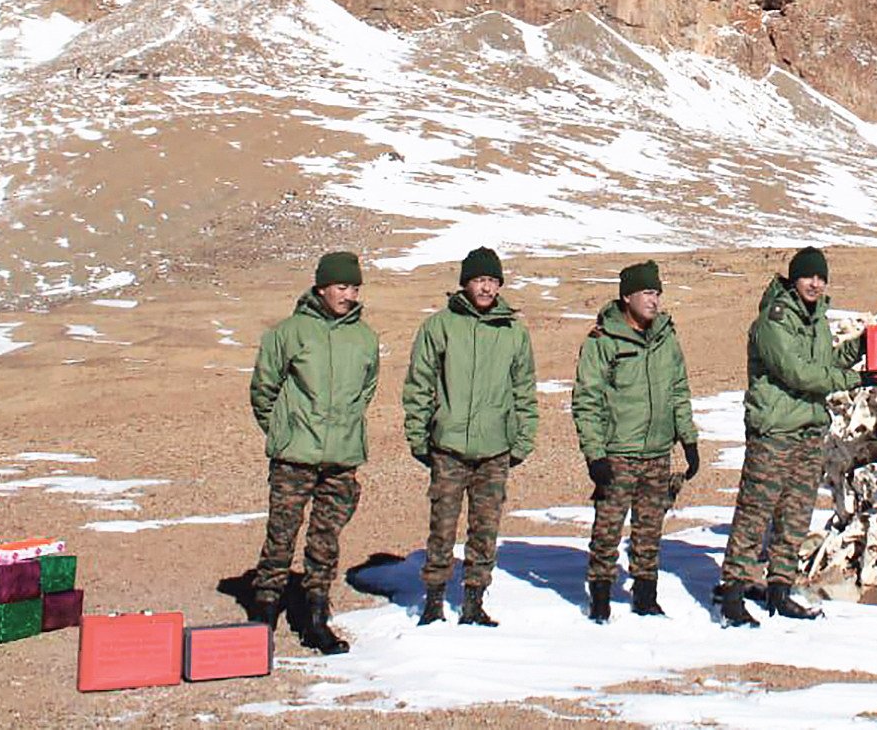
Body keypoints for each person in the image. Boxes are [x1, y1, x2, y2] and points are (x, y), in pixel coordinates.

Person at [717, 246, 877, 627]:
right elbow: (799, 373)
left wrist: (862, 347)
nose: (815, 284)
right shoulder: (773, 321)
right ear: (794, 279)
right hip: (775, 432)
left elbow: (824, 363)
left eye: (821, 278)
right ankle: (734, 593)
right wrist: (855, 380)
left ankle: (779, 588)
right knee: (755, 513)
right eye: (809, 276)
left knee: (795, 515)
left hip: (808, 431)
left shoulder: (816, 321)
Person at [248, 250, 380, 656]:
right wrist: (284, 432)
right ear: (321, 287)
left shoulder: (365, 337)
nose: (349, 295)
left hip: (341, 456)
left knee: (326, 540)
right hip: (295, 456)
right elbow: (263, 390)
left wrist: (347, 427)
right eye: (342, 287)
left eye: (355, 287)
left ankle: (316, 618)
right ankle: (264, 614)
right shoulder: (288, 333)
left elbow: (366, 390)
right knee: (281, 534)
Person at [402, 247, 539, 627]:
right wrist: (419, 436)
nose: (487, 288)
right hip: (449, 446)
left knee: (486, 527)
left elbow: (524, 388)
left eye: (493, 281)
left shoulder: (512, 331)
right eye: (480, 280)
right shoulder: (440, 327)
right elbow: (418, 385)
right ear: (465, 283)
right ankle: (433, 600)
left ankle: (474, 600)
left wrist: (523, 439)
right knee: (442, 526)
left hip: (495, 448)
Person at [572, 260, 701, 622]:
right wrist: (595, 454)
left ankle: (646, 595)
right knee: (608, 528)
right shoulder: (604, 341)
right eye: (647, 293)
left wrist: (688, 440)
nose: (654, 301)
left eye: (657, 293)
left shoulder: (666, 339)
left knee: (649, 529)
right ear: (627, 296)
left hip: (658, 451)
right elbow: (587, 399)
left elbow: (678, 391)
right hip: (618, 453)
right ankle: (599, 595)